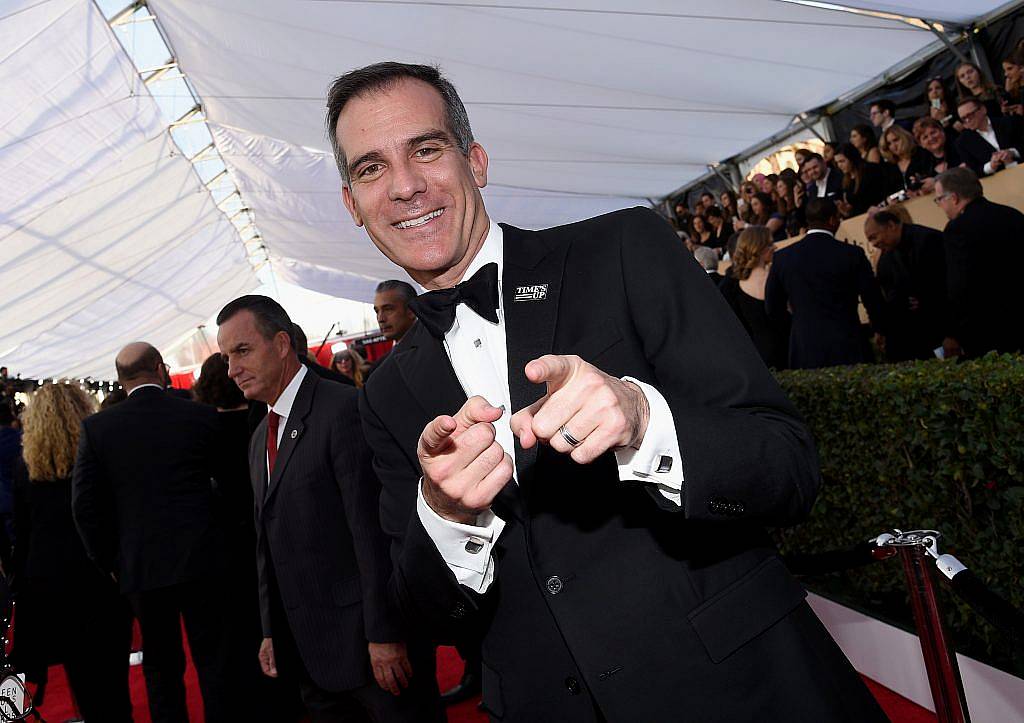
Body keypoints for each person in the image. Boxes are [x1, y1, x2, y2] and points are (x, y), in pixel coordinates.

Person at [330, 61, 885, 721]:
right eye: (370, 169)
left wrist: (643, 421)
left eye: (426, 149)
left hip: (746, 690)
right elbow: (434, 612)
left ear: (475, 161)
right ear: (353, 206)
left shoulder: (623, 248)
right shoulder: (385, 394)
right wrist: (447, 518)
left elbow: (789, 468)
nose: (404, 186)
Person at [216, 295, 442, 722]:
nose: (232, 369)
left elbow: (374, 532)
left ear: (282, 344)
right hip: (309, 653)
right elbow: (266, 545)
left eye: (242, 351)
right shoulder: (258, 437)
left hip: (371, 649)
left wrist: (386, 633)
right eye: (226, 357)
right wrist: (271, 631)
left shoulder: (343, 410)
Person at [72, 342, 238, 722]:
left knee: (160, 665)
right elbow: (230, 487)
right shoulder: (199, 416)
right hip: (203, 559)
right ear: (161, 369)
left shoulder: (98, 428)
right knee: (215, 659)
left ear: (120, 379)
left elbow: (85, 506)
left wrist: (110, 561)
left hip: (141, 565)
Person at [12, 384, 133, 722]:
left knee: (81, 675)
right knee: (113, 676)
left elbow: (22, 535)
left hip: (51, 584)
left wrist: (22, 588)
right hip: (100, 577)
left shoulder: (25, 468)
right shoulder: (101, 458)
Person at [766, 198, 886, 369]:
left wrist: (799, 325)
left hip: (805, 347)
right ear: (832, 220)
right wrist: (880, 330)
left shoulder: (783, 258)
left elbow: (773, 308)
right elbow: (872, 299)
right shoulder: (852, 254)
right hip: (849, 343)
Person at [934, 167, 1024, 356]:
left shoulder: (957, 228)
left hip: (989, 326)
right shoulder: (1012, 214)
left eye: (939, 200)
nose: (940, 206)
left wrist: (954, 331)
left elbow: (960, 284)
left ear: (954, 198)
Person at [863, 211, 949, 361]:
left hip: (937, 330)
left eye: (874, 237)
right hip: (906, 336)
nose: (874, 244)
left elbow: (946, 285)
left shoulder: (928, 240)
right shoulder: (886, 255)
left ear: (891, 226)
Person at [718, 227, 789, 369]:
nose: (775, 247)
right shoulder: (780, 277)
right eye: (769, 244)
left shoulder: (734, 286)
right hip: (787, 350)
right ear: (759, 248)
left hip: (759, 357)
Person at [954, 97, 1024, 176]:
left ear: (983, 109)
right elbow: (973, 171)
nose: (967, 120)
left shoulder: (1009, 122)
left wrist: (1013, 152)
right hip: (996, 182)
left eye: (970, 115)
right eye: (963, 118)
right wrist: (990, 166)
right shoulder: (962, 142)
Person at [833, 143, 894, 217]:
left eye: (842, 161)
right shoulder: (845, 179)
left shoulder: (871, 171)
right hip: (861, 217)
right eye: (837, 162)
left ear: (852, 158)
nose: (839, 165)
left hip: (880, 214)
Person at [912, 116, 962, 193]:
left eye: (933, 132)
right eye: (925, 137)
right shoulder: (923, 164)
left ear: (942, 131)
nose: (931, 138)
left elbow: (964, 173)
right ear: (921, 144)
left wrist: (937, 182)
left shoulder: (959, 148)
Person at [882, 124, 935, 192]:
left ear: (904, 137)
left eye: (896, 140)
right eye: (889, 143)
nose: (893, 146)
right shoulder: (889, 166)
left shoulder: (921, 154)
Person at [374, 279, 418, 344]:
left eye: (388, 309)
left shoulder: (431, 346)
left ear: (411, 311)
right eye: (377, 311)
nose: (380, 319)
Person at [1003, 48, 1024, 115]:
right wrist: (1008, 92)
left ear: (1021, 68)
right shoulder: (1015, 90)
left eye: (1010, 69)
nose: (1006, 74)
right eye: (1005, 70)